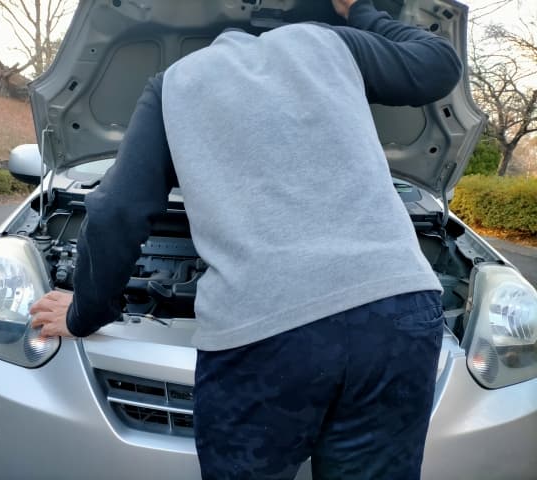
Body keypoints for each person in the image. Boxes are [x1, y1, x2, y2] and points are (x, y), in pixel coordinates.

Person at [30, 0, 462, 478]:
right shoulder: (333, 42)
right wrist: (362, 10)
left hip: (264, 334)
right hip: (398, 313)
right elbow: (439, 66)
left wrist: (86, 312)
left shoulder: (177, 81)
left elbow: (117, 211)